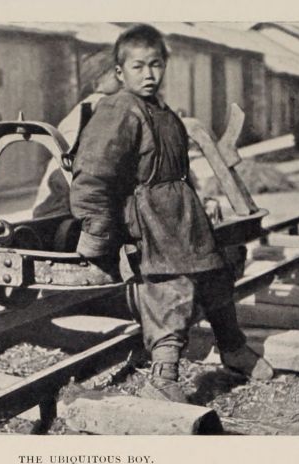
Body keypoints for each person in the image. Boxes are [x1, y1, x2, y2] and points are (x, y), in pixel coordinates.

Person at [69, 24, 273, 404]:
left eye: (156, 65)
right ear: (120, 72)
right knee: (170, 290)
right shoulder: (119, 109)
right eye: (138, 67)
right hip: (148, 220)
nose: (148, 74)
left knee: (216, 274)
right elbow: (93, 174)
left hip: (181, 214)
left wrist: (200, 201)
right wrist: (97, 233)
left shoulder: (162, 111)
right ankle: (163, 377)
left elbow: (178, 169)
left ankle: (232, 348)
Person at [31, 49, 121, 218]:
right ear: (99, 78)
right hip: (60, 209)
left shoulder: (95, 107)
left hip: (63, 205)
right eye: (117, 74)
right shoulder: (97, 107)